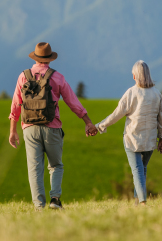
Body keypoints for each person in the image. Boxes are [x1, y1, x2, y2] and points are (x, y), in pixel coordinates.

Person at [9, 42, 98, 210]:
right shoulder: (57, 77)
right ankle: (55, 200)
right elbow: (73, 102)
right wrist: (87, 121)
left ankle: (38, 206)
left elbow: (16, 105)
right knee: (56, 165)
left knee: (35, 168)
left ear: (35, 58)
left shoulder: (23, 76)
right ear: (49, 59)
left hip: (29, 128)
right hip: (52, 127)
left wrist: (13, 131)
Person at [96, 60, 162, 206]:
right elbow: (161, 119)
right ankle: (137, 202)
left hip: (132, 139)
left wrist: (99, 126)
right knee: (142, 169)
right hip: (150, 140)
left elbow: (117, 114)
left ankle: (142, 202)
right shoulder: (157, 94)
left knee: (137, 170)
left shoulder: (131, 93)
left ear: (135, 76)